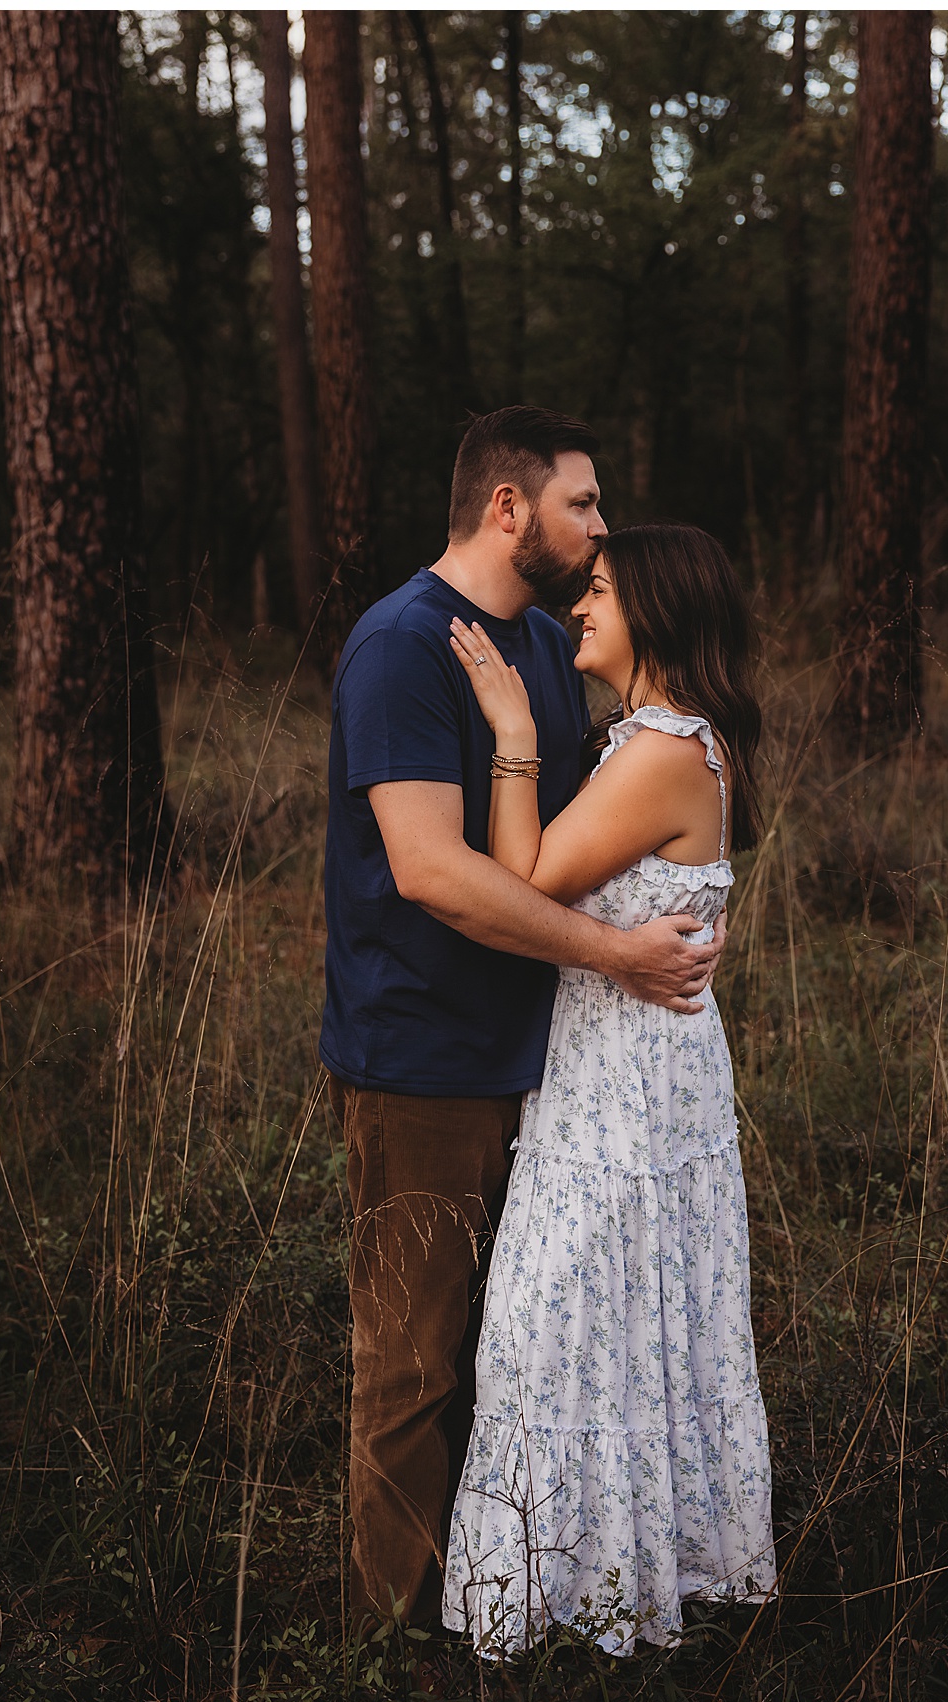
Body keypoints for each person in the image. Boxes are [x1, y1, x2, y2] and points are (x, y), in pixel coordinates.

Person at [320, 409, 727, 1632]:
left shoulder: (547, 648)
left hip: (553, 1065)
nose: (602, 527)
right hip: (424, 1059)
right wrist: (621, 953)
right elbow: (438, 871)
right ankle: (390, 1649)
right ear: (510, 508)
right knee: (413, 1361)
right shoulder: (401, 648)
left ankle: (517, 1595)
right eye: (584, 505)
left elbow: (570, 840)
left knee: (521, 1352)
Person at [441, 523, 777, 1656]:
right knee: (612, 1325)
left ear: (660, 610)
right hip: (619, 1068)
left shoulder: (666, 748)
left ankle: (586, 1601)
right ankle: (605, 1588)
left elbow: (523, 879)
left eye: (599, 590)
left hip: (626, 1088)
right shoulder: (650, 739)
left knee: (562, 1324)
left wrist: (514, 737)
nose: (580, 605)